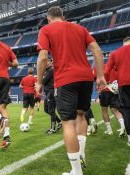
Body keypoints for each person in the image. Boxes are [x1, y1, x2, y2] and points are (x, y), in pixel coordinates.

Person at [36, 7, 106, 175]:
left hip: (66, 79)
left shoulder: (46, 29)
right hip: (86, 77)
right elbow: (96, 50)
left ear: (48, 18)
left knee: (68, 122)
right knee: (81, 115)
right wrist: (101, 76)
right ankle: (81, 154)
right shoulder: (80, 28)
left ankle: (76, 171)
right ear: (63, 16)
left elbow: (43, 58)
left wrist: (39, 82)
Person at [105, 37, 130, 147]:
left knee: (127, 111)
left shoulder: (115, 53)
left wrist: (107, 81)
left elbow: (106, 70)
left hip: (123, 84)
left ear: (123, 44)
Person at [98, 66, 125, 136]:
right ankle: (123, 125)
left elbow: (99, 79)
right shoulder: (116, 68)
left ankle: (109, 130)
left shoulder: (103, 67)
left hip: (105, 90)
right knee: (114, 110)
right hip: (114, 91)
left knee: (104, 111)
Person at [42, 60, 62, 134]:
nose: (44, 64)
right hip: (47, 93)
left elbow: (43, 81)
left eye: (46, 62)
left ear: (50, 63)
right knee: (46, 110)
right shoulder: (47, 71)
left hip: (51, 92)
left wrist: (40, 77)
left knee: (51, 110)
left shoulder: (50, 70)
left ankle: (53, 128)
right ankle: (60, 122)